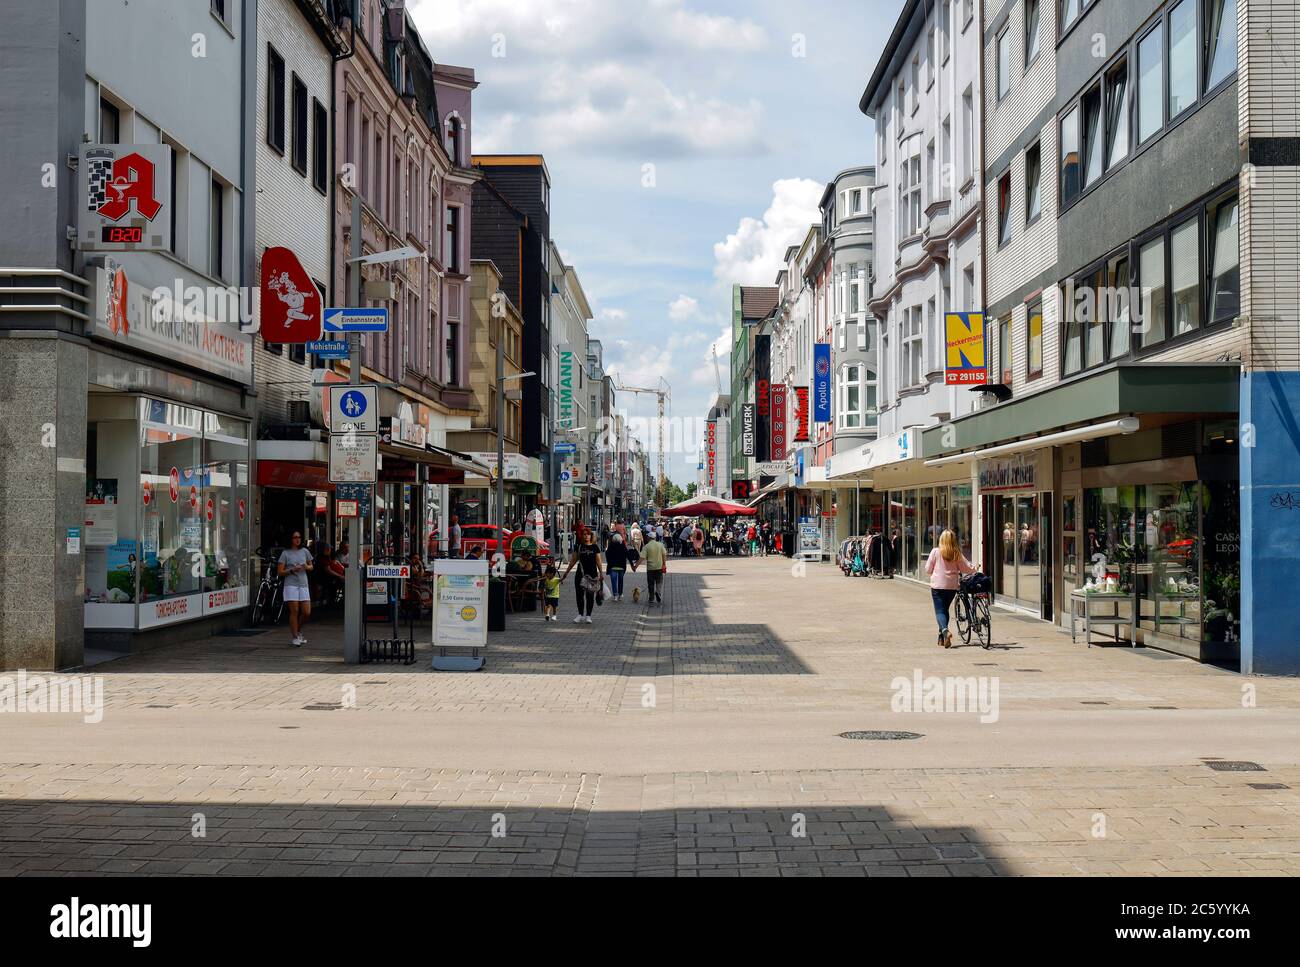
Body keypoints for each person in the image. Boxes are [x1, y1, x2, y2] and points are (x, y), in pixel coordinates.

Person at [926, 529, 978, 649]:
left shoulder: (935, 552)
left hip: (937, 586)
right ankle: (941, 638)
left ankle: (945, 631)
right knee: (945, 610)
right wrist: (975, 569)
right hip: (951, 586)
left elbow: (928, 569)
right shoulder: (956, 553)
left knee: (939, 611)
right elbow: (966, 568)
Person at [277, 531, 313, 647]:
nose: (297, 539)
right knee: (295, 611)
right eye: (295, 537)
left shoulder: (305, 551)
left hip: (303, 583)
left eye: (299, 537)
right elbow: (280, 572)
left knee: (306, 612)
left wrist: (306, 567)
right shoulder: (285, 553)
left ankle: (298, 630)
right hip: (291, 584)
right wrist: (292, 570)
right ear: (290, 539)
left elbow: (311, 566)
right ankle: (295, 636)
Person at [561, 527, 603, 623]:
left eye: (588, 534)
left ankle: (588, 616)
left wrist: (601, 573)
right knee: (579, 595)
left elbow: (599, 561)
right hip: (580, 574)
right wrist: (566, 573)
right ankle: (580, 614)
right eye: (584, 534)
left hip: (592, 574)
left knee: (590, 595)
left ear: (591, 536)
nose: (586, 536)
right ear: (582, 536)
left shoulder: (595, 547)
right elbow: (573, 561)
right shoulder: (579, 547)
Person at [638, 528, 667, 604]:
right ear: (654, 538)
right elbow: (664, 555)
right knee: (659, 582)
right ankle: (658, 593)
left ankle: (651, 598)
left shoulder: (646, 547)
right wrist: (664, 564)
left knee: (651, 583)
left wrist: (635, 566)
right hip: (659, 567)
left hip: (650, 568)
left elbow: (642, 558)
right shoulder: (660, 545)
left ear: (649, 538)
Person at [605, 532, 629, 601]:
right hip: (621, 566)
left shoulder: (611, 546)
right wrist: (633, 565)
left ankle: (615, 595)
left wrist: (608, 561)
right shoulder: (623, 546)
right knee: (621, 581)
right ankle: (620, 593)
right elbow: (627, 554)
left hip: (613, 566)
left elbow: (607, 554)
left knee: (614, 581)